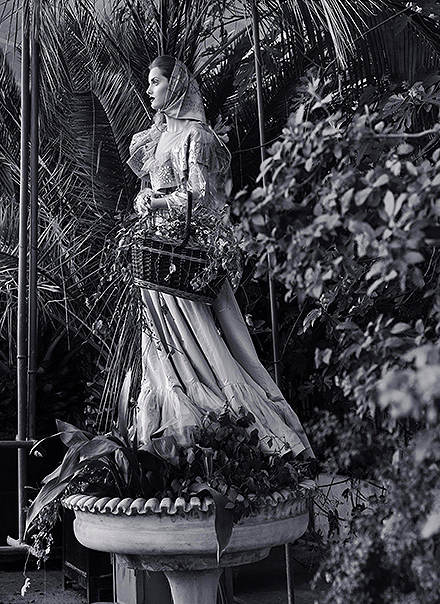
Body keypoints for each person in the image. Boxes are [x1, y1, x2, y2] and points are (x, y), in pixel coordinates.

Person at [125, 55, 312, 457]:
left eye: (156, 81)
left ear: (175, 85)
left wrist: (158, 203)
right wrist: (144, 200)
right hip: (155, 253)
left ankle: (237, 427)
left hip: (186, 253)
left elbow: (202, 197)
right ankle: (166, 435)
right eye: (149, 82)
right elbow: (149, 189)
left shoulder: (198, 137)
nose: (149, 89)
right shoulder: (154, 139)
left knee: (205, 341)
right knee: (159, 347)